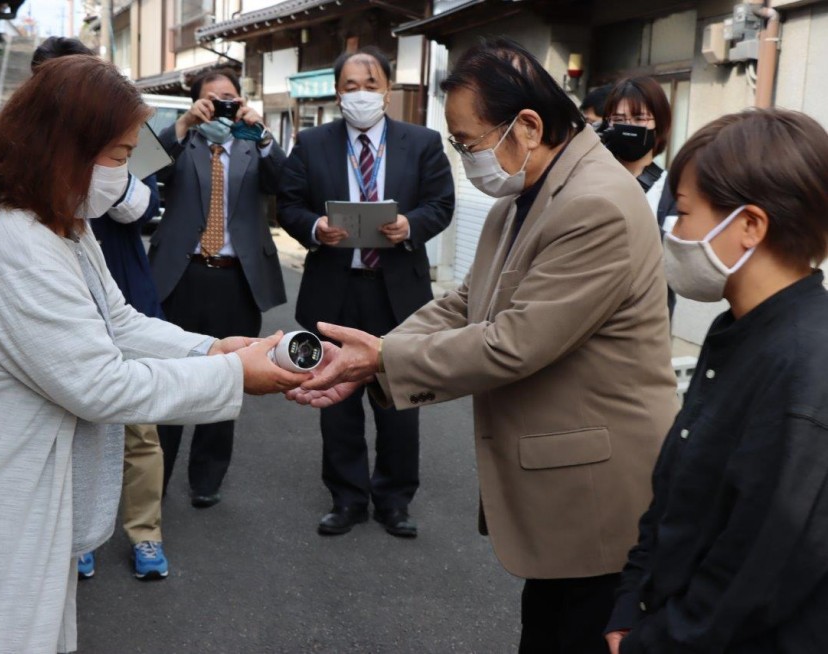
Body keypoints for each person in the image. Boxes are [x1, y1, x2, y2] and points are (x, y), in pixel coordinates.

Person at [0, 54, 307, 654]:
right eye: (118, 156)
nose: (125, 172)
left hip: (2, 496)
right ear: (63, 147)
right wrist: (231, 374)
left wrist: (211, 346)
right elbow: (101, 384)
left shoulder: (61, 216)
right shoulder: (13, 244)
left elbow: (116, 321)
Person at [287, 38, 677, 653]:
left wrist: (383, 358)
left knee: (574, 633)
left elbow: (513, 342)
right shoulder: (524, 194)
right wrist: (375, 352)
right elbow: (466, 303)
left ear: (527, 126)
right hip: (563, 487)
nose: (467, 158)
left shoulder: (595, 203)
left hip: (598, 492)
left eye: (469, 143)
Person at [604, 109, 828, 654]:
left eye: (682, 212)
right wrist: (630, 600)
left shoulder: (803, 366)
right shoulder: (739, 331)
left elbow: (758, 565)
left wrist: (652, 642)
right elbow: (678, 495)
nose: (672, 232)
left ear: (749, 226)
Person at [276, 46, 454, 538]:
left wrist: (410, 225)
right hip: (335, 289)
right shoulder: (311, 144)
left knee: (399, 398)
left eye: (370, 85)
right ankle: (347, 498)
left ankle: (394, 500)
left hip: (397, 292)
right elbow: (287, 205)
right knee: (334, 397)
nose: (361, 95)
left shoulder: (422, 142)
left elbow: (442, 204)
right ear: (337, 93)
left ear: (388, 91)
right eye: (350, 86)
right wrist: (313, 227)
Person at [31, 35, 169, 582]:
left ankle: (146, 532)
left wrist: (113, 172)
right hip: (64, 305)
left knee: (140, 430)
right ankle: (77, 532)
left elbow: (148, 206)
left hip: (125, 289)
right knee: (72, 422)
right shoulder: (26, 172)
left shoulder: (127, 133)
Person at [150, 69, 287, 509]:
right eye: (211, 98)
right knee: (172, 376)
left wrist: (263, 132)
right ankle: (157, 474)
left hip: (236, 278)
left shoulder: (252, 145)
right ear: (196, 102)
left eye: (229, 97)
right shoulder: (181, 141)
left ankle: (208, 478)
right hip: (181, 275)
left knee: (228, 377)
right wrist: (185, 123)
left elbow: (289, 184)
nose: (221, 105)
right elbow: (138, 167)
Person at [601, 76, 678, 317]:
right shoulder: (589, 180)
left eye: (640, 118)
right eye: (619, 120)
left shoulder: (672, 190)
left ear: (660, 123)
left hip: (645, 318)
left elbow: (674, 262)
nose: (629, 126)